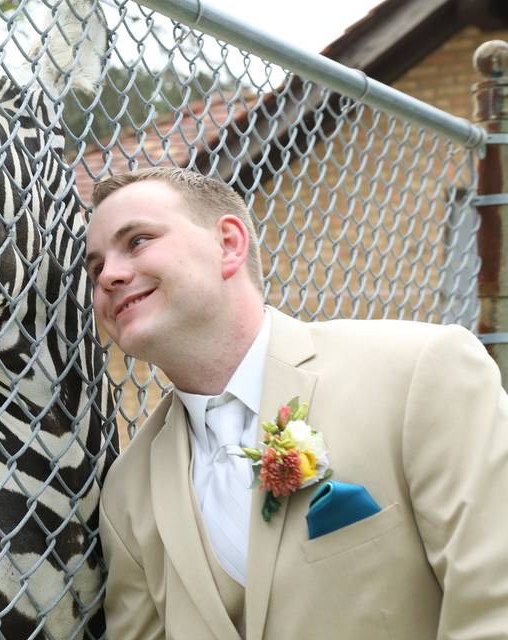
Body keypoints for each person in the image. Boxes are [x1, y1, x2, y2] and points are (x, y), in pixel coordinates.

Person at [85, 167, 508, 639]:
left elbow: (495, 601)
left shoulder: (420, 372)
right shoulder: (127, 490)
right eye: (95, 266)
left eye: (138, 241)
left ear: (227, 244)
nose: (111, 276)